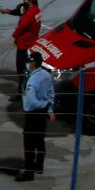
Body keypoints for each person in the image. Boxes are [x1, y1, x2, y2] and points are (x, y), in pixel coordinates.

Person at [19, 51, 55, 181]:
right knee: (40, 140)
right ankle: (39, 166)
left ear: (34, 63)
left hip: (33, 114)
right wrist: (49, 110)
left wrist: (42, 104)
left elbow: (31, 100)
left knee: (29, 143)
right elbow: (51, 94)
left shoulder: (33, 80)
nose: (29, 64)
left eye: (30, 62)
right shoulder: (47, 75)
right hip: (42, 114)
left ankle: (29, 172)